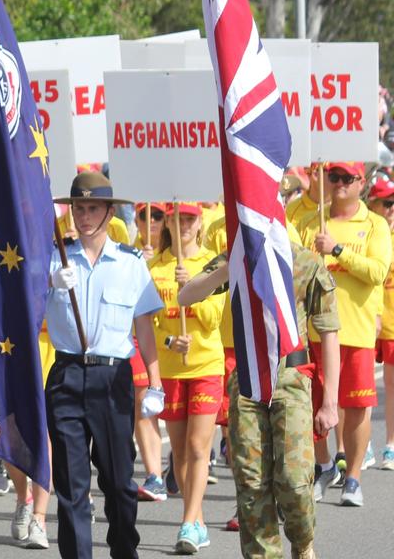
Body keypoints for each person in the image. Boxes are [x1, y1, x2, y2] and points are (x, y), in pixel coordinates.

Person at [178, 241, 340, 559]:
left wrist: (329, 402)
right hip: (248, 379)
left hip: (292, 378)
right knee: (252, 482)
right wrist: (229, 268)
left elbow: (329, 332)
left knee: (294, 480)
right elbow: (187, 295)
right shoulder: (238, 256)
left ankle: (302, 540)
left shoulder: (306, 261)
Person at [44, 171, 164, 559]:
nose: (84, 215)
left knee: (118, 482)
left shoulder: (130, 263)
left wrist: (156, 382)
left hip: (112, 377)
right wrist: (45, 283)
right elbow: (28, 313)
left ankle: (124, 553)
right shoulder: (54, 257)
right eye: (78, 207)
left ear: (109, 212)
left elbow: (143, 326)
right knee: (72, 488)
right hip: (66, 374)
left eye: (93, 207)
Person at [298, 161, 391, 506]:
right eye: (333, 176)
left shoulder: (375, 224)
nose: (338, 183)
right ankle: (324, 465)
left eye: (346, 178)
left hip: (355, 330)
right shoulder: (310, 221)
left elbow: (378, 272)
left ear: (360, 182)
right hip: (316, 331)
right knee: (312, 405)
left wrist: (337, 250)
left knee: (355, 407)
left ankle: (353, 476)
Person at [147, 202, 223, 552]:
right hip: (171, 368)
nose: (184, 225)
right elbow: (150, 325)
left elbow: (213, 319)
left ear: (199, 222)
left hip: (206, 365)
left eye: (190, 218)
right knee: (178, 451)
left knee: (197, 446)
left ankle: (188, 523)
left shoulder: (213, 262)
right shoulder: (154, 267)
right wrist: (169, 341)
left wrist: (191, 288)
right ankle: (197, 518)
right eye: (177, 218)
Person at [130, 201, 167, 501]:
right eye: (145, 215)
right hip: (142, 343)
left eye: (158, 215)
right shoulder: (131, 253)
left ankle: (183, 467)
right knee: (144, 407)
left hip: (178, 348)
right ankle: (154, 473)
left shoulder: (178, 255)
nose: (151, 221)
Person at [371, 176, 394, 468]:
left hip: (389, 323)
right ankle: (361, 445)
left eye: (393, 203)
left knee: (391, 385)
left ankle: (390, 444)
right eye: (386, 203)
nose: (390, 208)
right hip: (367, 319)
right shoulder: (368, 231)